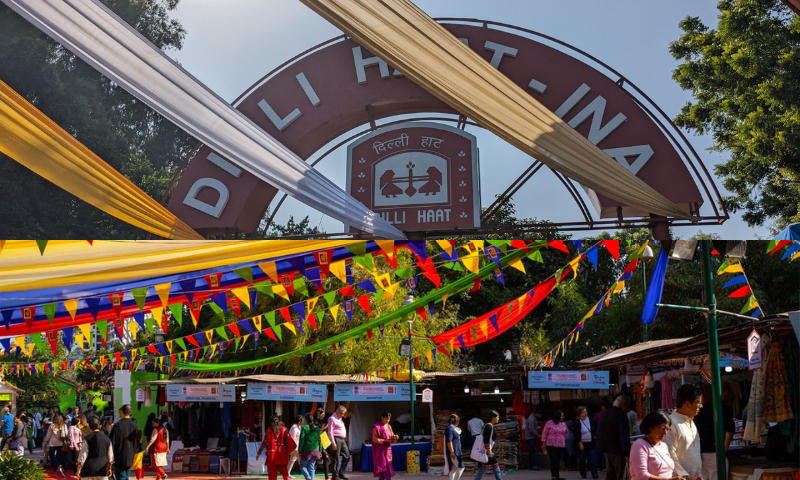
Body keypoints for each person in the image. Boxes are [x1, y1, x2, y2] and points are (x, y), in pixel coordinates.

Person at [665, 384, 703, 480]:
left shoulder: (690, 421)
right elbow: (670, 454)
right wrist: (683, 475)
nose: (701, 406)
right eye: (698, 402)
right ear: (687, 404)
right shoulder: (671, 423)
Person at [696, 385, 734, 480]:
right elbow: (730, 431)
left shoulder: (700, 409)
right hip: (715, 453)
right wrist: (723, 450)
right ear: (724, 392)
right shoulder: (724, 409)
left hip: (700, 453)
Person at [629, 411, 678, 480]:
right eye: (662, 429)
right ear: (650, 427)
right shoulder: (639, 445)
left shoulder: (664, 446)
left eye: (667, 429)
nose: (665, 433)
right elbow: (641, 476)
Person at [597, 396, 633, 480]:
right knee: (621, 474)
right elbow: (624, 435)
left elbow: (599, 431)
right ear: (624, 405)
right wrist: (626, 453)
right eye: (627, 407)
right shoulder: (621, 415)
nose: (627, 410)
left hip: (606, 449)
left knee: (610, 473)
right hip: (618, 450)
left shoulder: (605, 413)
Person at [76, 415, 114, 480]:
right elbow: (110, 457)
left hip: (88, 469)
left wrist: (78, 469)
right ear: (99, 426)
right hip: (102, 469)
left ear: (89, 427)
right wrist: (109, 468)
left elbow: (83, 455)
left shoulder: (86, 439)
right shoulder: (107, 439)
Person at [109, 404, 142, 480]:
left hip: (119, 456)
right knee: (126, 475)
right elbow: (138, 443)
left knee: (121, 476)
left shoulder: (117, 426)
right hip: (131, 456)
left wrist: (110, 457)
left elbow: (112, 442)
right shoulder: (135, 426)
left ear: (122, 412)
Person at [257, 415, 291, 480]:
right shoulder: (284, 429)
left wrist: (258, 453)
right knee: (284, 470)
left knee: (272, 475)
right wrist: (289, 452)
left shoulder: (269, 431)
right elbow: (288, 441)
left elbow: (264, 443)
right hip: (281, 453)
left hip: (271, 455)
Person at [571, 407, 599, 479]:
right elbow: (576, 434)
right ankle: (583, 473)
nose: (585, 413)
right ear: (580, 414)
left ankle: (594, 473)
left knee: (592, 458)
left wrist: (595, 435)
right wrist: (579, 443)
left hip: (591, 443)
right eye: (583, 412)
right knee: (582, 459)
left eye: (586, 411)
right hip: (583, 443)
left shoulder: (591, 420)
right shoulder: (577, 423)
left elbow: (597, 426)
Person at [474, 410, 502, 480]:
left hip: (486, 451)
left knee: (483, 468)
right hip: (487, 452)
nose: (498, 419)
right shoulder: (489, 426)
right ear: (493, 417)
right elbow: (486, 439)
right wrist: (488, 450)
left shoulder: (489, 426)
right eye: (497, 417)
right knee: (496, 468)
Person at [542, 410, 569, 480]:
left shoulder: (563, 424)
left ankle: (557, 476)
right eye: (561, 416)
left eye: (563, 416)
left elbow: (567, 433)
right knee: (554, 460)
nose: (563, 417)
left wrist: (563, 439)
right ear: (558, 416)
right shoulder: (549, 423)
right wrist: (544, 443)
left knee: (558, 460)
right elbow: (544, 433)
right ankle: (553, 476)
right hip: (551, 445)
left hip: (561, 445)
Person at [371, 411, 398, 480]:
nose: (388, 421)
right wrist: (384, 440)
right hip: (380, 450)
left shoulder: (389, 426)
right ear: (382, 418)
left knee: (387, 467)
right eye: (386, 419)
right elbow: (374, 439)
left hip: (387, 450)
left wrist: (395, 437)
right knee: (383, 467)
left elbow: (391, 436)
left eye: (389, 419)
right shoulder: (376, 427)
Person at [328, 405, 351, 480]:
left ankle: (341, 472)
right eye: (342, 413)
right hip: (336, 439)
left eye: (344, 413)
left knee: (347, 456)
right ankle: (335, 476)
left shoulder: (340, 418)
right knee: (336, 457)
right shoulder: (332, 418)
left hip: (342, 439)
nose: (343, 415)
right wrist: (333, 442)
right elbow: (330, 431)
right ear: (338, 411)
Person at [298, 413, 322, 480]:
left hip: (306, 450)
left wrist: (299, 450)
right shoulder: (316, 428)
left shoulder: (304, 428)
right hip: (315, 450)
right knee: (311, 467)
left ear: (306, 420)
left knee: (302, 466)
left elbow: (301, 440)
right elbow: (319, 440)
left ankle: (309, 478)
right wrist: (320, 451)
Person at [444, 413, 465, 480]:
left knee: (453, 469)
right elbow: (449, 441)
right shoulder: (450, 429)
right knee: (461, 467)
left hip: (456, 451)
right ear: (456, 421)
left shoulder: (453, 428)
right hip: (454, 452)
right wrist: (452, 451)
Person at [315, 408, 332, 480]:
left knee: (325, 458)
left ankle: (326, 476)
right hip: (318, 443)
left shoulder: (319, 421)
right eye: (322, 414)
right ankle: (326, 477)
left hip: (323, 442)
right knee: (325, 458)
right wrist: (322, 429)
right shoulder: (315, 422)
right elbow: (315, 432)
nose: (323, 416)